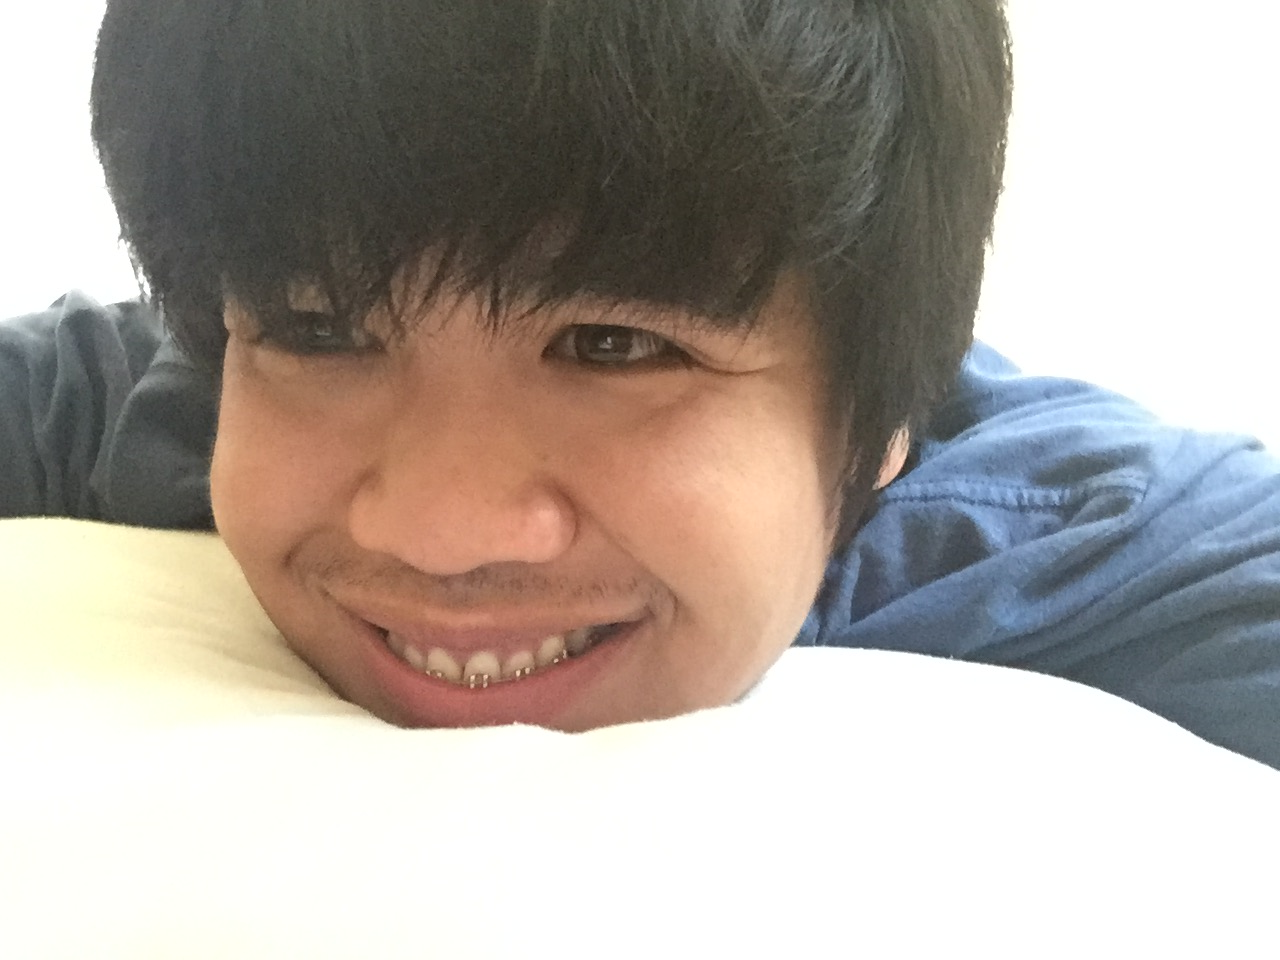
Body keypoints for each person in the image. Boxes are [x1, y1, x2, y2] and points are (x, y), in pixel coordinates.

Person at [3, 0, 1279, 762]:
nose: (437, 531)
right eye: (322, 329)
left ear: (884, 415)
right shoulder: (157, 401)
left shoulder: (1071, 535)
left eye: (613, 346)